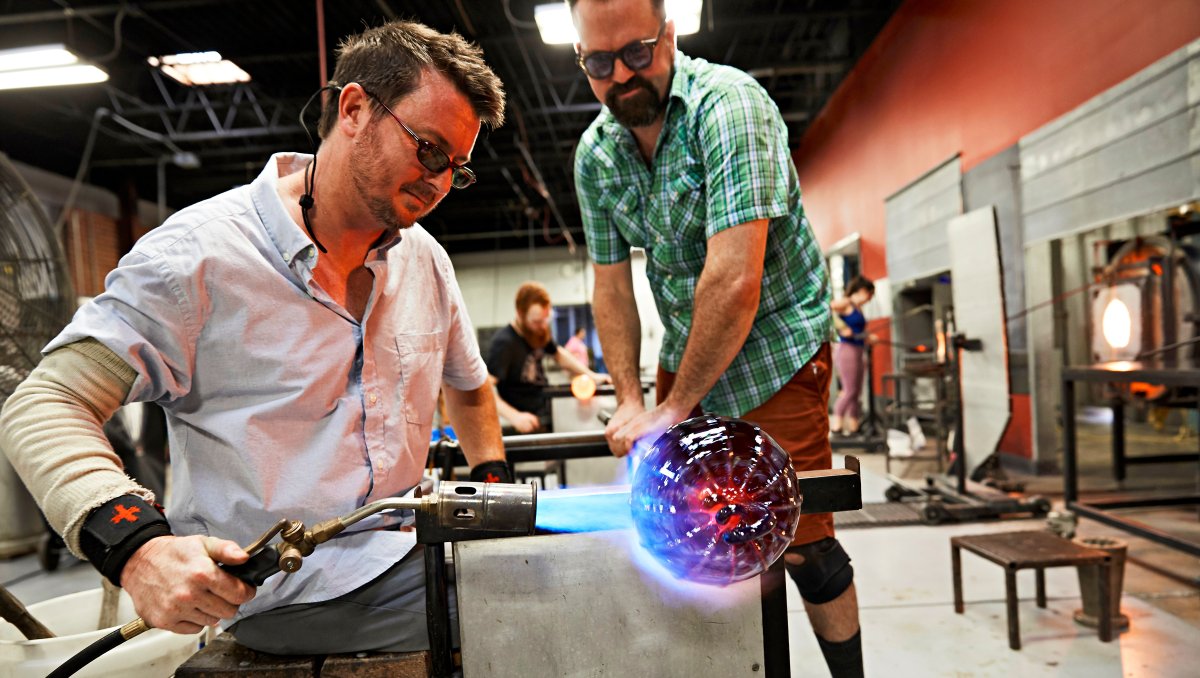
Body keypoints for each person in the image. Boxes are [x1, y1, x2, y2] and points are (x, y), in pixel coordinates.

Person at [0, 20, 509, 655]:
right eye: (429, 151)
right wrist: (135, 546)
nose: (438, 183)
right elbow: (43, 404)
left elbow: (468, 385)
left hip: (408, 556)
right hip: (283, 598)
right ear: (353, 109)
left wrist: (491, 485)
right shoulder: (197, 259)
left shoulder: (425, 262)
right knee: (551, 605)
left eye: (456, 169)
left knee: (579, 568)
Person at [568, 1, 862, 675]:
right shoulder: (597, 155)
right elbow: (611, 286)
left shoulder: (729, 107)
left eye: (637, 54)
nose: (621, 77)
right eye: (600, 63)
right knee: (684, 530)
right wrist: (627, 398)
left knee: (801, 541)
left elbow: (734, 282)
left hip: (776, 347)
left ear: (669, 36)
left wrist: (671, 411)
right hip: (688, 352)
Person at [487, 282, 609, 433]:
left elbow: (559, 354)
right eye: (537, 322)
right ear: (519, 313)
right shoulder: (504, 343)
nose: (543, 326)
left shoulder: (536, 332)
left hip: (543, 411)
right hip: (522, 421)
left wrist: (591, 375)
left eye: (546, 320)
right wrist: (514, 416)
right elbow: (486, 388)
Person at [830, 276, 876, 436]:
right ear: (863, 291)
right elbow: (826, 309)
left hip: (858, 349)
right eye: (870, 295)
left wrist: (867, 336)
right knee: (849, 390)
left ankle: (854, 426)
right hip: (846, 349)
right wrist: (841, 327)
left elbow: (857, 329)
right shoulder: (846, 303)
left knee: (856, 391)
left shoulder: (858, 308)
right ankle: (836, 426)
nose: (870, 299)